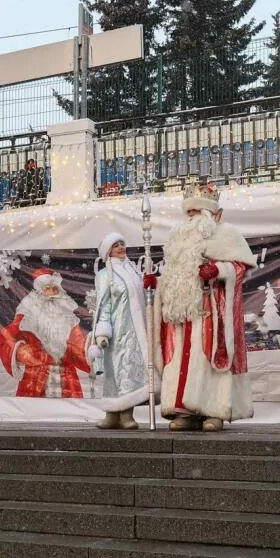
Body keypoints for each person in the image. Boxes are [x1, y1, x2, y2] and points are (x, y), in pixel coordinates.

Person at [157, 185, 258, 432]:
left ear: (211, 214)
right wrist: (157, 283)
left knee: (209, 358)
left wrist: (218, 270)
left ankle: (214, 411)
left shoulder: (227, 234)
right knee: (183, 361)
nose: (191, 217)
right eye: (188, 212)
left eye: (196, 211)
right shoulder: (178, 239)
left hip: (212, 310)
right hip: (183, 314)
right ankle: (185, 412)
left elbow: (239, 268)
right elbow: (175, 276)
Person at [92, 232, 155, 429]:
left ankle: (127, 414)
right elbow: (103, 304)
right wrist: (102, 331)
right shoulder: (104, 275)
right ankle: (112, 415)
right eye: (116, 245)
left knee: (131, 370)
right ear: (108, 251)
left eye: (122, 243)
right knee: (115, 371)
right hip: (117, 331)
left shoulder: (133, 271)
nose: (121, 247)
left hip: (136, 331)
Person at [0, 268, 91, 397]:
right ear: (39, 292)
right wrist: (21, 352)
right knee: (33, 413)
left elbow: (78, 348)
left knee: (68, 413)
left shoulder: (67, 319)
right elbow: (5, 338)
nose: (52, 293)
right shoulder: (27, 316)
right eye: (47, 288)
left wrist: (90, 349)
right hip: (34, 379)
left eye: (54, 288)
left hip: (66, 379)